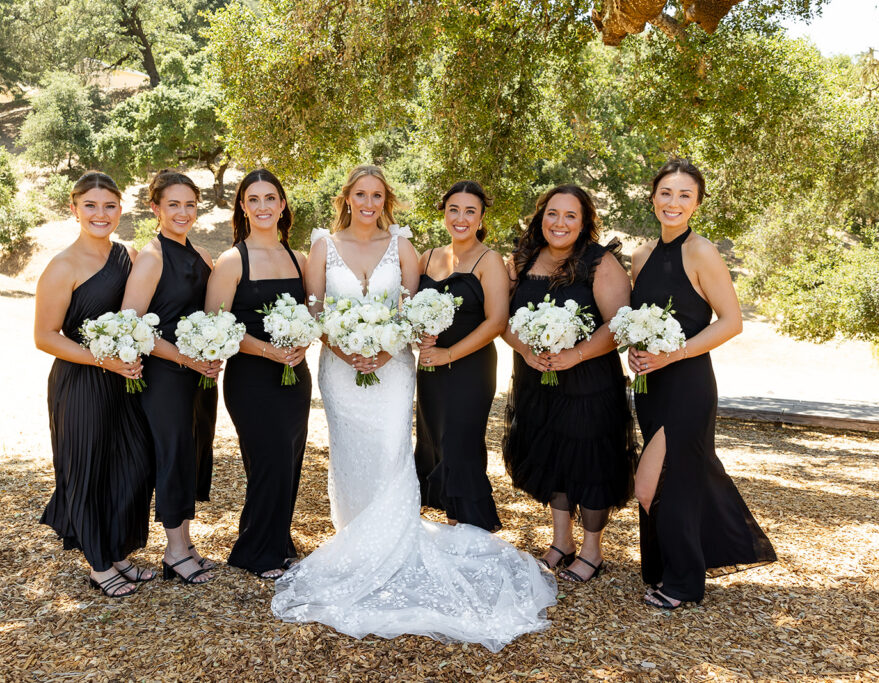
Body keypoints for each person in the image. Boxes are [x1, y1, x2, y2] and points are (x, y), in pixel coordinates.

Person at [271, 165, 556, 653]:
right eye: (360, 194)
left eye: (377, 195)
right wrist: (345, 351)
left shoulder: (404, 247)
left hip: (394, 367)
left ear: (387, 200)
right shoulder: (322, 245)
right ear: (347, 197)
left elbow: (411, 309)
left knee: (389, 450)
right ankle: (355, 540)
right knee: (349, 452)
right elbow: (314, 310)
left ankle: (394, 546)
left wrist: (383, 351)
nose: (368, 202)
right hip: (340, 370)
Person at [629, 159, 776, 609]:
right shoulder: (640, 255)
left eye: (684, 195)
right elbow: (641, 320)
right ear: (653, 197)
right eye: (666, 193)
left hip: (688, 384)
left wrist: (674, 353)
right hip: (648, 386)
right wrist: (634, 351)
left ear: (697, 203)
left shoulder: (702, 252)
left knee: (658, 484)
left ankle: (685, 582)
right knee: (671, 482)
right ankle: (668, 571)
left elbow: (732, 322)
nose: (673, 203)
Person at [501, 185, 635, 584]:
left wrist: (574, 354)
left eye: (570, 216)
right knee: (551, 454)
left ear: (584, 222)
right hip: (536, 377)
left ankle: (592, 550)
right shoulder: (522, 259)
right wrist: (525, 351)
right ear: (540, 217)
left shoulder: (599, 262)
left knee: (591, 460)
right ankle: (562, 542)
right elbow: (500, 318)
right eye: (552, 214)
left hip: (588, 382)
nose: (560, 223)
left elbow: (618, 323)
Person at [35, 171, 154, 598]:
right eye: (90, 205)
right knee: (87, 466)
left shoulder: (129, 255)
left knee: (132, 464)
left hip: (127, 382)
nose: (100, 214)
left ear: (121, 209)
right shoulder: (62, 266)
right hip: (82, 381)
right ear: (74, 209)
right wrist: (104, 360)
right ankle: (99, 565)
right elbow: (45, 336)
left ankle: (119, 551)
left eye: (109, 206)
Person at [206, 169, 311, 579]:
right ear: (243, 207)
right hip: (250, 378)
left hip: (294, 377)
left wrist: (303, 342)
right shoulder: (233, 261)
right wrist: (270, 351)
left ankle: (279, 542)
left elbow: (313, 312)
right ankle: (256, 552)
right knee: (267, 459)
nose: (263, 206)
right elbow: (217, 326)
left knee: (290, 459)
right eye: (254, 199)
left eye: (271, 198)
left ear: (282, 205)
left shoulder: (298, 258)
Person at [122, 170, 220, 585]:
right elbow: (132, 325)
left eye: (190, 205)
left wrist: (214, 350)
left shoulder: (196, 251)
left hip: (197, 376)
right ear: (155, 208)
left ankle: (186, 543)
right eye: (174, 204)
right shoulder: (153, 256)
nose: (183, 212)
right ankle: (175, 552)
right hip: (165, 377)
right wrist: (187, 359)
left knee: (191, 453)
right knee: (174, 454)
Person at [414, 180, 508, 531]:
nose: (461, 217)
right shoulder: (428, 257)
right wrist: (419, 339)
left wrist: (448, 353)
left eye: (470, 211)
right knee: (433, 439)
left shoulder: (489, 260)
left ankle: (470, 526)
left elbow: (497, 321)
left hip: (470, 368)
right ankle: (447, 516)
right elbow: (407, 309)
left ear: (482, 217)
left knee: (460, 443)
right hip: (430, 369)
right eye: (454, 209)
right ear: (443, 212)